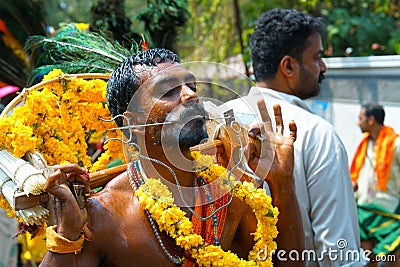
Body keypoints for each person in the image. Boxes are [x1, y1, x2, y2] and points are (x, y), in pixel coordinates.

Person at [38, 48, 305, 266]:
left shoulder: (230, 197)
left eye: (191, 85)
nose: (191, 95)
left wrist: (282, 182)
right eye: (169, 91)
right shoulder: (105, 215)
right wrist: (66, 237)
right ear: (133, 124)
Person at [213, 8, 365, 266]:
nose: (323, 67)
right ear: (288, 66)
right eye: (317, 58)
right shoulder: (318, 134)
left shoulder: (216, 120)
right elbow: (339, 253)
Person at [350, 102, 400, 266]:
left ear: (371, 120)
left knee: (392, 258)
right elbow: (359, 175)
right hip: (364, 209)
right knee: (367, 257)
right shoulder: (365, 143)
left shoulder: (396, 144)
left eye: (360, 118)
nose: (358, 123)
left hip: (388, 212)